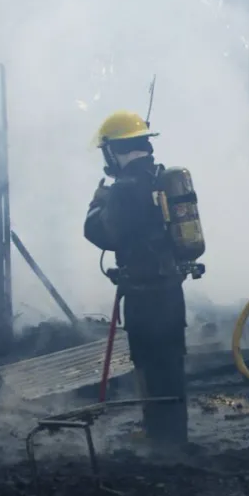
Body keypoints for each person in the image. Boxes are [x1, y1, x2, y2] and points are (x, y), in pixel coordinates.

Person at [84, 110, 188, 449]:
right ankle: (173, 433)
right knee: (170, 361)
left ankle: (160, 438)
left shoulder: (126, 188)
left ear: (115, 150)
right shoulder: (160, 178)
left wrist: (96, 204)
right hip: (171, 289)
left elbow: (102, 233)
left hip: (144, 295)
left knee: (149, 362)